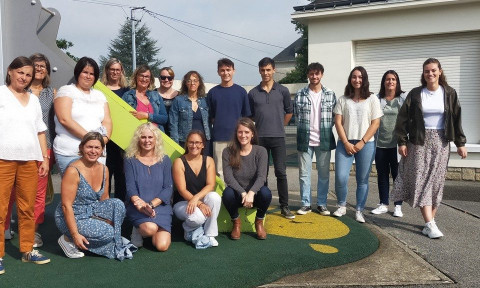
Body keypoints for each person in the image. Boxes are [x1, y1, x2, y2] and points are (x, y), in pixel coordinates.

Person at [392, 58, 467, 239]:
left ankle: (429, 223)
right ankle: (430, 224)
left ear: (440, 71)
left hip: (442, 142)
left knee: (436, 182)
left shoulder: (449, 93)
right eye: (427, 71)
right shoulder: (416, 94)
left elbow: (456, 119)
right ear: (423, 74)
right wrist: (402, 141)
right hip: (419, 142)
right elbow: (402, 119)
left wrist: (461, 143)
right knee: (423, 181)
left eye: (433, 70)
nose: (430, 74)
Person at [0, 56, 51, 274]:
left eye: (28, 74)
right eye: (20, 72)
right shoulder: (1, 94)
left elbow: (41, 130)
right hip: (3, 159)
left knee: (27, 208)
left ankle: (28, 250)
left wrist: (44, 158)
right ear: (10, 72)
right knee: (0, 209)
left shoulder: (33, 100)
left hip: (30, 160)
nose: (24, 77)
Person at [55, 132, 135, 260]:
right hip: (73, 215)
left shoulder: (104, 169)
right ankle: (68, 238)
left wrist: (108, 221)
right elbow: (66, 206)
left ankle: (101, 236)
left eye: (97, 148)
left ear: (102, 150)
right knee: (109, 233)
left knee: (118, 205)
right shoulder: (73, 170)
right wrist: (75, 234)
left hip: (92, 210)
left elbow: (105, 199)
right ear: (81, 148)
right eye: (89, 147)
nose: (93, 151)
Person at [333, 66, 382, 223]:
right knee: (341, 177)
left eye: (360, 77)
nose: (357, 80)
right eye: (354, 77)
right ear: (350, 79)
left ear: (364, 79)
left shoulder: (372, 99)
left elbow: (375, 123)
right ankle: (341, 205)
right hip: (345, 143)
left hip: (366, 144)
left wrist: (362, 142)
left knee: (362, 179)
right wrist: (346, 142)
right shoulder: (343, 99)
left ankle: (359, 210)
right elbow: (338, 122)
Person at [248, 57, 294, 219]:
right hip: (260, 140)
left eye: (268, 70)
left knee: (281, 172)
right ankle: (263, 204)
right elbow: (250, 116)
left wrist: (281, 126)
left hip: (278, 138)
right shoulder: (253, 93)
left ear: (274, 70)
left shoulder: (283, 91)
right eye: (262, 70)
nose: (265, 73)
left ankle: (285, 206)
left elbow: (289, 112)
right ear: (259, 71)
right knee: (262, 174)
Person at [54, 57, 112, 175]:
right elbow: (64, 119)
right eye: (85, 72)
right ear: (78, 73)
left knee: (95, 190)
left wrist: (102, 141)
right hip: (71, 151)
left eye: (92, 74)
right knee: (74, 191)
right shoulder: (66, 91)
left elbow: (107, 121)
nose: (88, 76)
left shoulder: (100, 95)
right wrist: (92, 140)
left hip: (97, 153)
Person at [294, 63, 336, 216]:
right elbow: (297, 115)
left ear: (322, 75)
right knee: (304, 174)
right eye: (311, 74)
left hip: (323, 139)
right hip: (305, 139)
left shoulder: (330, 94)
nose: (314, 77)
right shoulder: (300, 94)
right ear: (308, 75)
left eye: (317, 74)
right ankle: (305, 204)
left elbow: (334, 117)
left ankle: (322, 203)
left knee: (324, 174)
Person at [124, 123, 173, 251]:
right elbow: (130, 187)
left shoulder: (165, 160)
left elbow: (168, 188)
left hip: (159, 207)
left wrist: (150, 205)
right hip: (138, 207)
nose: (147, 141)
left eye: (150, 137)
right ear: (138, 139)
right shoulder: (130, 160)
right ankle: (138, 228)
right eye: (143, 137)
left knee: (162, 246)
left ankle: (150, 228)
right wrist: (140, 205)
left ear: (156, 139)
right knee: (150, 229)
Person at [222, 118, 272, 240]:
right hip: (239, 195)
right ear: (236, 133)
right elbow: (228, 177)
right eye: (240, 132)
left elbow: (262, 177)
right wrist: (243, 193)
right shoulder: (228, 151)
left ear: (252, 134)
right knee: (227, 194)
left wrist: (251, 192)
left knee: (266, 193)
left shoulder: (261, 151)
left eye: (246, 132)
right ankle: (236, 222)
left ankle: (259, 222)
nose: (243, 135)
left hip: (254, 195)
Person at [172, 131, 221, 249]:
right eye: (191, 142)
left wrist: (196, 199)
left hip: (198, 200)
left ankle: (210, 234)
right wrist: (198, 203)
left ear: (203, 145)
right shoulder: (179, 162)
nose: (194, 146)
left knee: (215, 197)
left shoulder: (209, 160)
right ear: (187, 144)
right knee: (198, 218)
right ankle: (188, 228)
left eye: (198, 143)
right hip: (182, 202)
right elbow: (182, 190)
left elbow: (211, 185)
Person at [207, 58, 251, 181]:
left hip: (238, 138)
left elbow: (246, 118)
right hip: (219, 138)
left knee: (238, 169)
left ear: (233, 71)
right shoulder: (212, 93)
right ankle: (221, 199)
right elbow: (210, 117)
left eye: (228, 70)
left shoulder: (241, 92)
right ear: (218, 72)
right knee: (219, 171)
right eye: (222, 70)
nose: (226, 73)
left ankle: (238, 198)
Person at [371, 70, 405, 217]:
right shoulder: (377, 99)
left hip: (396, 145)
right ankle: (383, 203)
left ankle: (398, 205)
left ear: (397, 82)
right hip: (380, 145)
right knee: (382, 175)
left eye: (393, 79)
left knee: (398, 176)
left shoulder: (402, 99)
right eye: (387, 79)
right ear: (383, 82)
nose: (390, 82)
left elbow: (408, 121)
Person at [101, 58, 129, 201]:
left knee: (122, 178)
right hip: (105, 139)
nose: (115, 72)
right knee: (104, 177)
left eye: (118, 70)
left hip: (122, 142)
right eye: (112, 69)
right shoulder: (99, 90)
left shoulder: (127, 91)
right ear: (107, 70)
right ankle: (103, 209)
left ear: (121, 72)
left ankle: (121, 210)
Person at [169, 71, 211, 155]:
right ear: (185, 83)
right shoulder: (178, 101)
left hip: (203, 142)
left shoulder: (205, 101)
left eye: (195, 80)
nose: (192, 83)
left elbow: (209, 122)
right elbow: (173, 124)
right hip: (185, 142)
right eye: (189, 80)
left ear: (199, 83)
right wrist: (175, 144)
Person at [122, 65, 168, 131]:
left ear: (150, 79)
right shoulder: (128, 96)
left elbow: (164, 118)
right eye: (141, 76)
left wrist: (147, 115)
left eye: (147, 77)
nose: (144, 79)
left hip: (155, 137)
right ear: (136, 77)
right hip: (135, 135)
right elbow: (123, 118)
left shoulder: (156, 96)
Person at [157, 67, 179, 136]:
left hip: (176, 134)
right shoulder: (152, 94)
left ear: (173, 79)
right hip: (158, 133)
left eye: (170, 78)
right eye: (163, 77)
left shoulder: (181, 96)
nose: (166, 80)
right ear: (159, 78)